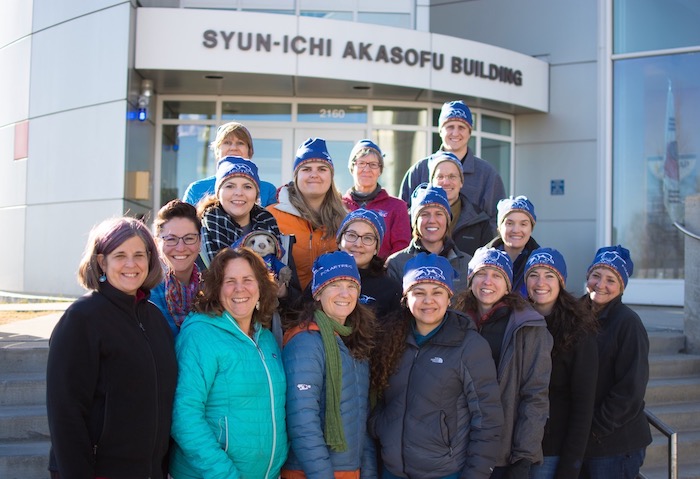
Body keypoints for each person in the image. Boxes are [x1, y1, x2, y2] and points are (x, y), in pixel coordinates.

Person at [46, 217, 177, 479]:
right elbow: (65, 413)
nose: (131, 264)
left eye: (139, 254)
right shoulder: (81, 319)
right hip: (97, 471)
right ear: (101, 261)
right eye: (120, 255)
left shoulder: (155, 319)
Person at [369, 253, 504, 479]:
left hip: (444, 472)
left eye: (437, 292)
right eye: (419, 293)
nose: (428, 301)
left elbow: (488, 419)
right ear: (406, 298)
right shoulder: (390, 340)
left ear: (449, 297)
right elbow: (376, 397)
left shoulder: (469, 345)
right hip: (392, 469)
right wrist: (380, 427)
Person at [169, 247, 288, 479]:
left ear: (261, 287)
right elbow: (184, 414)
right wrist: (223, 474)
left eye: (247, 280)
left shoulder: (265, 338)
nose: (239, 288)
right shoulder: (200, 335)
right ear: (217, 288)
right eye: (229, 281)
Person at [454, 247, 552, 479]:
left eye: (497, 275)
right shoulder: (454, 319)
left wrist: (523, 456)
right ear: (470, 279)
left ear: (508, 284)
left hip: (502, 452)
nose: (488, 281)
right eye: (481, 273)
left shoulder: (527, 327)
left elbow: (535, 395)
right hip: (456, 449)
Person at [282, 251, 377, 478]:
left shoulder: (354, 341)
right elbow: (303, 422)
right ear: (317, 293)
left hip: (349, 470)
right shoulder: (306, 342)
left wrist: (369, 472)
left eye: (351, 285)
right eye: (334, 284)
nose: (345, 293)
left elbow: (360, 418)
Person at [524, 248, 598, 479]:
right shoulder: (517, 320)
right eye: (534, 274)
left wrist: (570, 466)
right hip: (517, 448)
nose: (540, 282)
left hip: (553, 451)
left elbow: (583, 407)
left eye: (549, 275)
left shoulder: (578, 332)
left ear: (561, 281)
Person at [580, 246, 651, 479]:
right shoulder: (573, 314)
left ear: (622, 287)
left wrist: (593, 428)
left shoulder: (628, 324)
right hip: (579, 439)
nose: (600, 284)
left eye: (611, 279)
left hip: (614, 443)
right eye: (596, 275)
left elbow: (630, 390)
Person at [399, 100, 506, 229]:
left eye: (461, 127)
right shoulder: (419, 170)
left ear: (469, 132)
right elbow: (402, 218)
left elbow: (497, 221)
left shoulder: (487, 174)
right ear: (440, 131)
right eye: (450, 127)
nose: (455, 133)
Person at [268, 137, 347, 289]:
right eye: (306, 169)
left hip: (332, 308)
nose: (314, 174)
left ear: (331, 177)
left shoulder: (345, 219)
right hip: (285, 308)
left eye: (322, 169)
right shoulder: (271, 216)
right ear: (296, 176)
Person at [386, 183, 470, 295]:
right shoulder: (396, 263)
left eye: (439, 214)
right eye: (424, 214)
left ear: (448, 220)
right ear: (415, 222)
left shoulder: (467, 264)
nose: (432, 220)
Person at [182, 121, 278, 207]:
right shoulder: (196, 189)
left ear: (250, 151)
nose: (233, 148)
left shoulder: (268, 190)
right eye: (227, 142)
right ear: (217, 151)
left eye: (240, 143)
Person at [342, 139, 411, 258]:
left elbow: (401, 250)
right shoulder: (339, 205)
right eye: (361, 163)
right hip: (345, 273)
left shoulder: (397, 207)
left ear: (380, 171)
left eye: (373, 165)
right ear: (352, 168)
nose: (367, 169)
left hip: (383, 273)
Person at [151, 199, 202, 336]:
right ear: (156, 243)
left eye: (189, 238)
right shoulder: (144, 293)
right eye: (171, 239)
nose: (180, 248)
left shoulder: (211, 291)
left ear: (200, 242)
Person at [428, 150, 493, 256]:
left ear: (461, 182)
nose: (446, 182)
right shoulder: (416, 220)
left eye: (452, 176)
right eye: (440, 177)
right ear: (431, 182)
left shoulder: (480, 221)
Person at [486, 195, 540, 297]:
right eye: (509, 223)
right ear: (499, 228)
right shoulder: (481, 261)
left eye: (523, 224)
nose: (516, 230)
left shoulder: (542, 264)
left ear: (531, 229)